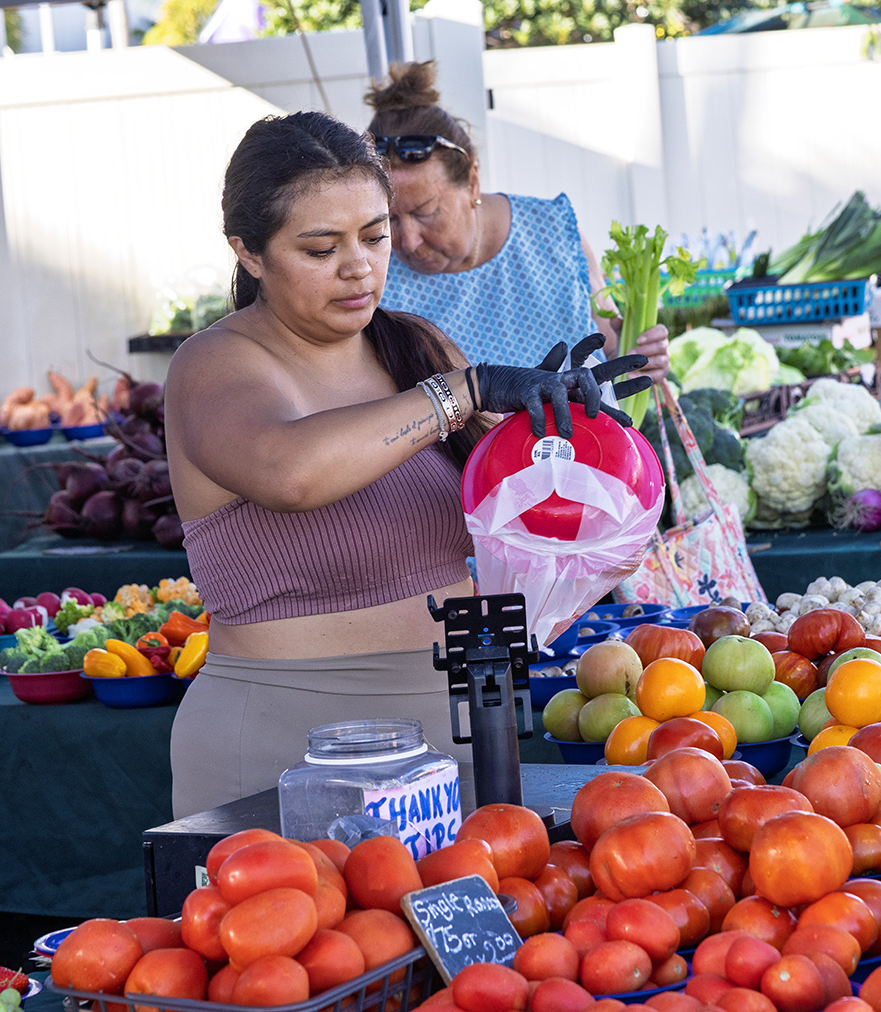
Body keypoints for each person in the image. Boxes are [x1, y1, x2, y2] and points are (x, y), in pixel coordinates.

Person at [165, 110, 650, 817]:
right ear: (249, 252)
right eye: (321, 248)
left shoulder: (416, 347)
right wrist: (467, 390)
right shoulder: (213, 364)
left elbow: (527, 504)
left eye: (374, 235)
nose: (359, 266)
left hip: (455, 738)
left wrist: (572, 439)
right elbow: (290, 473)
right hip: (283, 745)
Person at [366, 62, 670, 381]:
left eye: (425, 212)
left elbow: (612, 350)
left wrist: (644, 356)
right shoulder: (375, 276)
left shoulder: (554, 232)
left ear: (472, 182)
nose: (407, 241)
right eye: (388, 221)